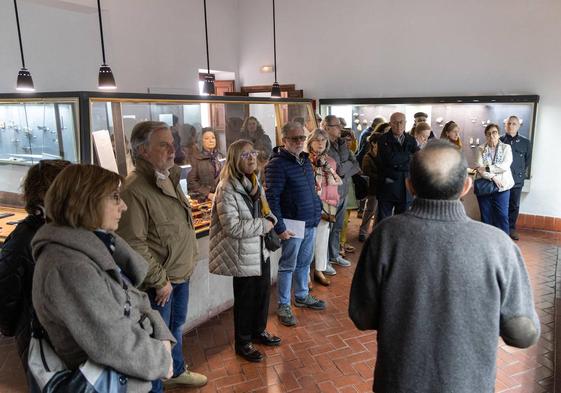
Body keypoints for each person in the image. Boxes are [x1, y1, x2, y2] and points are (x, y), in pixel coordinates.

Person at [349, 140, 540, 393]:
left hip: (398, 383)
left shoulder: (385, 236)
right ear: (466, 186)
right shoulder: (498, 245)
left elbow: (362, 317)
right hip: (469, 385)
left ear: (409, 185)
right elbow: (523, 334)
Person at [32, 164, 177, 393]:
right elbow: (113, 341)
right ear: (86, 201)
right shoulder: (68, 267)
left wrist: (161, 335)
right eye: (115, 197)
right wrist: (162, 359)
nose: (124, 206)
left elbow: (135, 299)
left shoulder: (94, 247)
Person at [116, 121, 207, 391]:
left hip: (179, 274)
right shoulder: (133, 189)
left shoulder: (166, 176)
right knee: (156, 338)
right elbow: (132, 242)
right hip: (160, 284)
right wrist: (159, 279)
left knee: (175, 327)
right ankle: (154, 386)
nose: (172, 150)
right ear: (143, 151)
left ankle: (176, 370)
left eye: (172, 143)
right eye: (164, 144)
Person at [209, 139, 281, 363]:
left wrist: (271, 219)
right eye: (244, 155)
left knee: (262, 294)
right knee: (245, 299)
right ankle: (243, 342)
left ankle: (259, 331)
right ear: (233, 159)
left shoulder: (254, 181)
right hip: (241, 253)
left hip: (259, 249)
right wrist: (265, 225)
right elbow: (233, 227)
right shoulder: (227, 187)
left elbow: (266, 210)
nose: (251, 158)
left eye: (252, 153)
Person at [0, 159, 70, 374]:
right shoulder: (24, 239)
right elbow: (5, 291)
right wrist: (15, 327)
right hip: (39, 335)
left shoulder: (64, 229)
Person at [265, 122, 324, 327]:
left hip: (309, 221)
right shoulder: (277, 164)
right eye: (294, 138)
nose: (299, 141)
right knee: (288, 265)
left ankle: (301, 295)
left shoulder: (305, 160)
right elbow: (272, 198)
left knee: (305, 262)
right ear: (284, 141)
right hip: (292, 224)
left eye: (302, 138)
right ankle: (283, 304)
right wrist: (279, 227)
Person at [322, 115, 360, 268]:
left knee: (338, 226)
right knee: (327, 228)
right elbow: (332, 168)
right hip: (329, 193)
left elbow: (355, 163)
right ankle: (323, 261)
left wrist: (343, 169)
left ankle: (334, 254)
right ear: (326, 127)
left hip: (343, 190)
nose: (340, 128)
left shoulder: (342, 143)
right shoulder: (322, 144)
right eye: (337, 126)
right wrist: (344, 167)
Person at [306, 128, 342, 284]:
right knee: (307, 241)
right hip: (309, 205)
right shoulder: (304, 160)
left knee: (322, 239)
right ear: (310, 142)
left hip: (326, 205)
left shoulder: (330, 161)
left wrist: (331, 203)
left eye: (323, 140)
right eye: (317, 140)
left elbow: (334, 186)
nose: (320, 143)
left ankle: (319, 269)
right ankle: (305, 272)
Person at [376, 112, 419, 222]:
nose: (399, 126)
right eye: (395, 123)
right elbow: (390, 160)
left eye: (401, 122)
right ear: (390, 124)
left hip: (406, 188)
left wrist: (398, 162)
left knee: (402, 224)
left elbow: (417, 159)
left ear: (405, 123)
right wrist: (409, 157)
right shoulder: (383, 139)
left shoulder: (411, 139)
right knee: (383, 222)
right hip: (387, 186)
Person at [475, 123, 514, 235]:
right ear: (486, 136)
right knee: (486, 216)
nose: (491, 135)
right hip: (485, 188)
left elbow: (504, 166)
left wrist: (487, 168)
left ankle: (504, 244)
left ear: (499, 134)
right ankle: (487, 243)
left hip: (502, 187)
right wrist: (493, 177)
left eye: (494, 132)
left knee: (502, 216)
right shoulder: (481, 149)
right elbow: (479, 168)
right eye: (488, 133)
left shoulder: (506, 148)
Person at [500, 115, 532, 240]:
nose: (511, 126)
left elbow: (527, 160)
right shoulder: (500, 140)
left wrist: (519, 172)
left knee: (514, 205)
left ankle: (511, 229)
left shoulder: (525, 142)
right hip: (501, 179)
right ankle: (501, 228)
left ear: (519, 126)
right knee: (501, 204)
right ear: (505, 125)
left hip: (516, 180)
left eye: (514, 124)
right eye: (509, 123)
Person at [358, 130, 384, 242]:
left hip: (382, 188)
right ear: (373, 143)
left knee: (379, 212)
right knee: (370, 211)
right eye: (380, 142)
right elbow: (367, 173)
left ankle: (375, 232)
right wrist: (382, 176)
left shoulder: (384, 155)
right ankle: (363, 232)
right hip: (373, 188)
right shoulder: (367, 157)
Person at [187, 128, 225, 201]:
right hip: (202, 200)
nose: (211, 140)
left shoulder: (220, 156)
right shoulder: (195, 158)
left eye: (213, 138)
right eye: (206, 138)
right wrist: (208, 194)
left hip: (220, 198)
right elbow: (191, 183)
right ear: (201, 141)